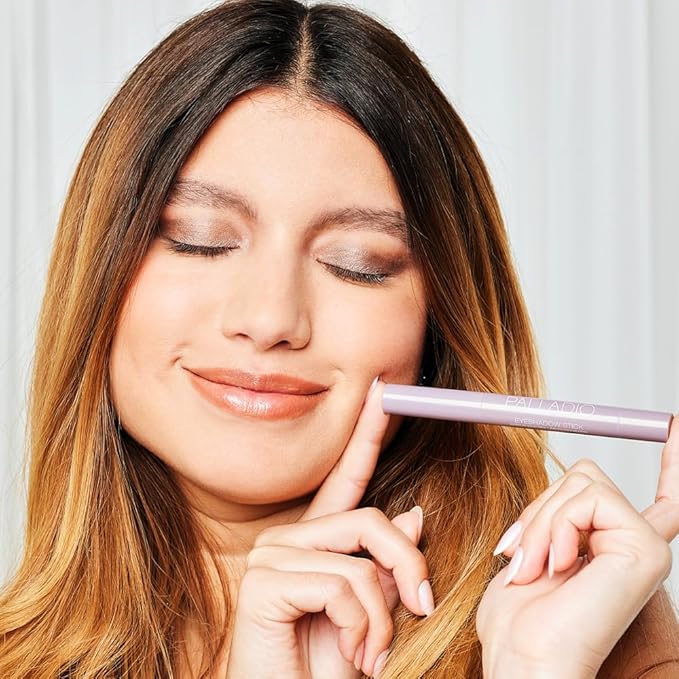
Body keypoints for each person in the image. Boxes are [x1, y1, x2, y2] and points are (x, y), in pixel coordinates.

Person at [1, 1, 677, 676]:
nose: (270, 319)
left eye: (357, 264)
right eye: (199, 240)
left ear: (438, 321)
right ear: (97, 274)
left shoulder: (577, 621)